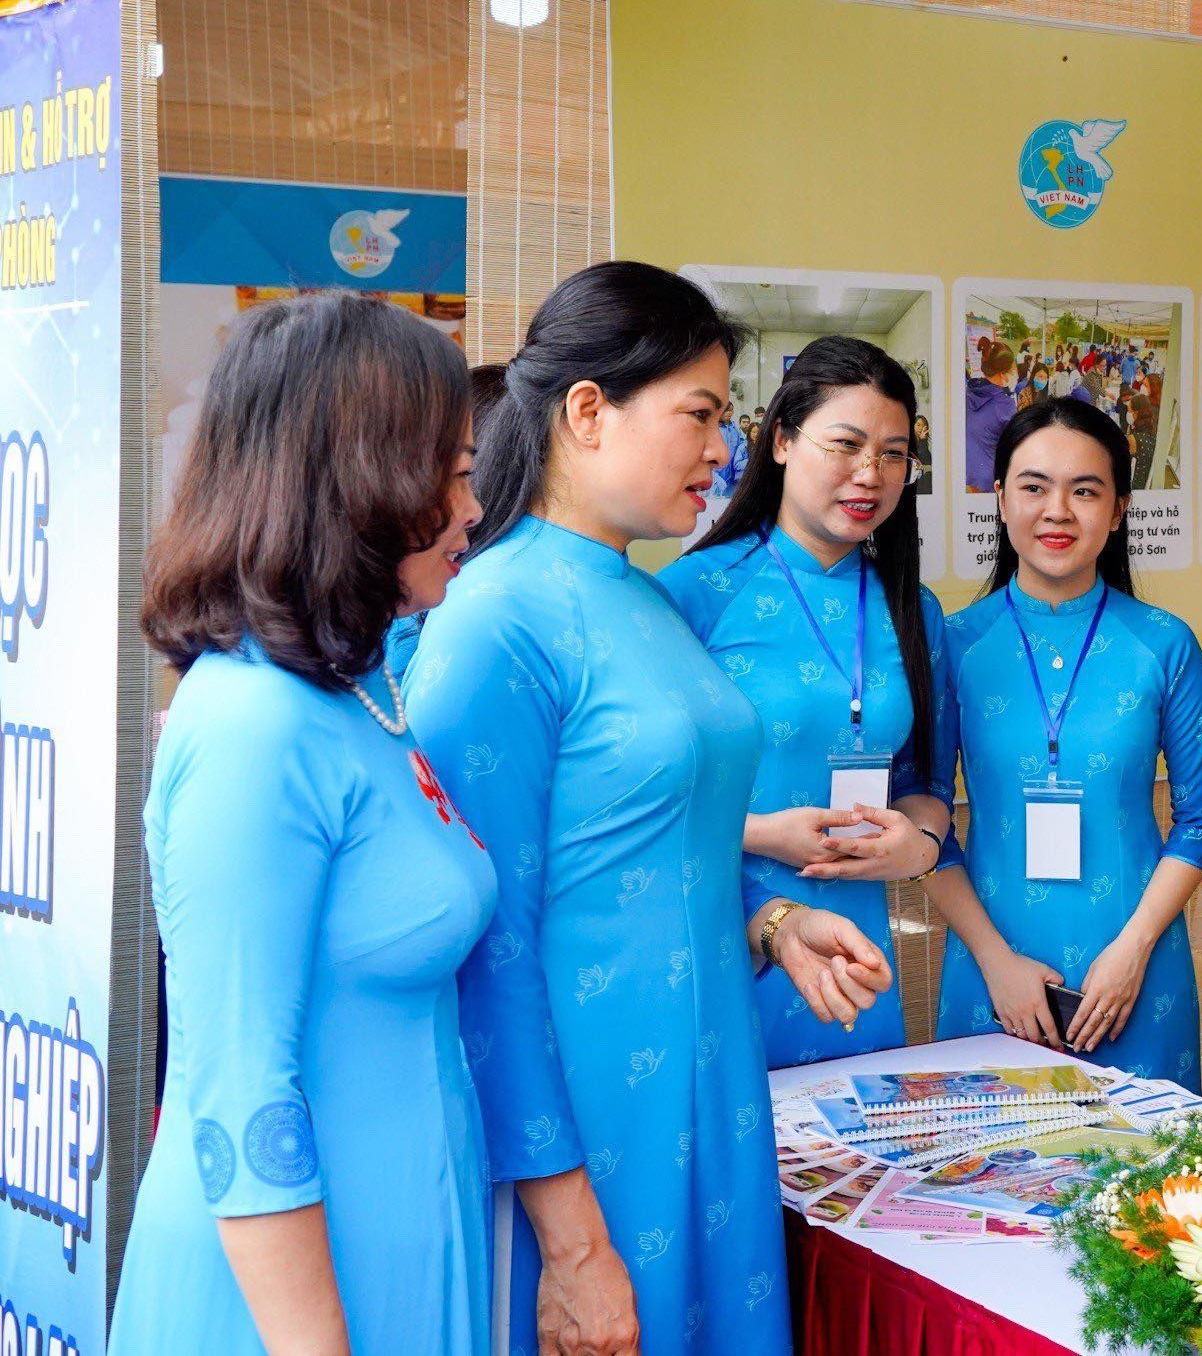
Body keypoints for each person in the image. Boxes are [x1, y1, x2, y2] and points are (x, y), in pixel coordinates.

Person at [404, 262, 889, 1356]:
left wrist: (770, 922)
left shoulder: (641, 592)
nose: (723, 449)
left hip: (711, 1086)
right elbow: (486, 945)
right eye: (702, 414)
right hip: (586, 1131)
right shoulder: (498, 619)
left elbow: (651, 851)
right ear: (587, 411)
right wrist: (569, 1246)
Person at [112, 293, 494, 1352]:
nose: (473, 508)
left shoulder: (361, 695)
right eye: (452, 475)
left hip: (406, 1242)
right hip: (292, 1301)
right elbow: (240, 1093)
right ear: (357, 482)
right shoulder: (250, 727)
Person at [661, 336, 952, 1068]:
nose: (870, 474)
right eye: (847, 444)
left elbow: (925, 787)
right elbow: (646, 797)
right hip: (721, 939)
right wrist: (765, 834)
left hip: (856, 961)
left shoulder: (913, 609)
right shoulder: (697, 592)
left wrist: (916, 847)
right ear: (782, 441)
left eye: (892, 453)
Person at [924, 397, 1202, 1091]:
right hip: (991, 973)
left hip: (1134, 977)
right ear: (999, 499)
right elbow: (927, 823)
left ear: (1118, 509)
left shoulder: (1164, 642)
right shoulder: (955, 645)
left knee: (1149, 1187)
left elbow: (1201, 819)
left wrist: (1131, 951)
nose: (1057, 510)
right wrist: (996, 961)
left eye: (1085, 490)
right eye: (1034, 486)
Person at [965, 338, 1018, 492]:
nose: (1015, 373)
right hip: (990, 483)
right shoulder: (1005, 406)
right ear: (1002, 373)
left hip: (969, 474)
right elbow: (1015, 444)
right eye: (1012, 369)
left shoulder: (970, 391)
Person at [714, 402, 749, 496]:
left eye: (731, 410)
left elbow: (743, 448)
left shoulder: (736, 429)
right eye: (726, 410)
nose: (729, 413)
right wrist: (715, 478)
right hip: (716, 476)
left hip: (732, 476)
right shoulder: (713, 429)